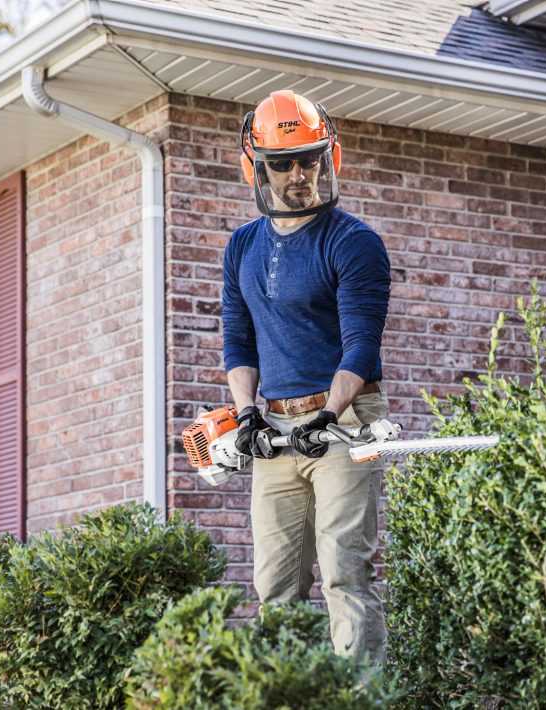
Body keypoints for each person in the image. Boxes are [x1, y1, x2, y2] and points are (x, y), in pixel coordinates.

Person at [221, 89, 391, 662]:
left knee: (345, 574)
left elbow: (361, 347)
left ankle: (363, 704)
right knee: (276, 589)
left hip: (345, 422)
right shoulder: (241, 245)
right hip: (273, 427)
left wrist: (327, 415)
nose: (300, 173)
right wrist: (246, 413)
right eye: (284, 162)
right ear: (256, 167)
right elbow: (238, 340)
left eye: (310, 159)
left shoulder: (354, 242)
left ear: (329, 157)